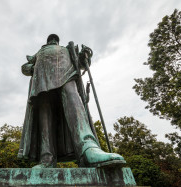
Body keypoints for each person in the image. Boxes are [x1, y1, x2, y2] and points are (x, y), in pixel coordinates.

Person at [18, 34, 125, 168]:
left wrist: (85, 56)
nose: (53, 40)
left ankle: (88, 148)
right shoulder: (38, 53)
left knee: (74, 101)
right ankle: (47, 158)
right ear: (47, 42)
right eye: (51, 39)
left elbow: (80, 64)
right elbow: (25, 67)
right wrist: (32, 68)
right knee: (45, 114)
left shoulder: (67, 49)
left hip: (67, 74)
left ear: (57, 42)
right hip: (42, 79)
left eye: (55, 39)